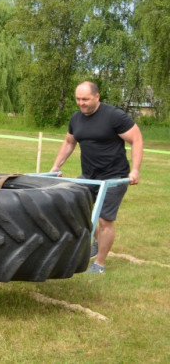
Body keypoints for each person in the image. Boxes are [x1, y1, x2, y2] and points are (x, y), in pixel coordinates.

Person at [49, 81, 143, 274]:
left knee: (104, 219)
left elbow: (136, 139)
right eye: (78, 99)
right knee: (77, 209)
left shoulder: (114, 116)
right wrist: (56, 166)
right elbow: (69, 142)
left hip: (113, 177)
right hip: (89, 176)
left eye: (85, 99)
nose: (81, 103)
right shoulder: (76, 118)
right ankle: (96, 241)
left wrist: (135, 170)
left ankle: (99, 263)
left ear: (97, 97)